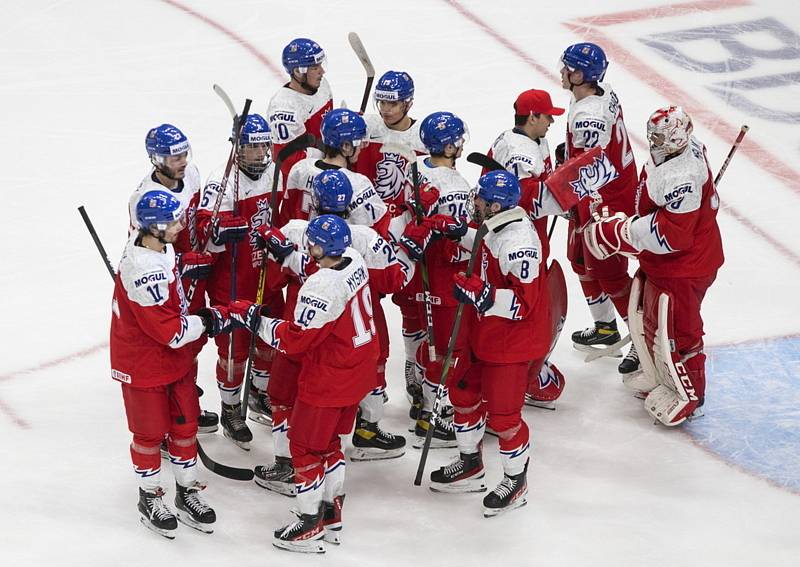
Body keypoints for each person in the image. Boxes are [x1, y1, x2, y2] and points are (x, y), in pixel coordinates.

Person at [227, 215, 378, 553]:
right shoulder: (353, 260)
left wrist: (254, 319)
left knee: (305, 447)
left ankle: (309, 521)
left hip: (331, 377)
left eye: (311, 242)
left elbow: (295, 341)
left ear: (323, 247)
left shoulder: (322, 286)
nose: (307, 246)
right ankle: (331, 512)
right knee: (330, 443)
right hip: (359, 369)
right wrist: (286, 254)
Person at [253, 171, 411, 492]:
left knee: (284, 399)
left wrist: (278, 257)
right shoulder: (363, 241)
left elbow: (270, 284)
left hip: (302, 331)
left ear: (312, 201)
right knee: (334, 415)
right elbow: (395, 281)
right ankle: (352, 445)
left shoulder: (294, 232)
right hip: (347, 342)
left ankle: (290, 466)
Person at [584, 106, 723, 425]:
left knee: (680, 330)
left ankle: (693, 395)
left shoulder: (681, 176)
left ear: (677, 136)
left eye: (660, 136)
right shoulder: (680, 151)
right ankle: (663, 378)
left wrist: (618, 233)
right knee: (651, 320)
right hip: (666, 264)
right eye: (652, 135)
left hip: (684, 267)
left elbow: (672, 235)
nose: (653, 141)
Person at [429, 171, 549, 517]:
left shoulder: (520, 243)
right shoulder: (496, 224)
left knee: (505, 417)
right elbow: (484, 244)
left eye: (479, 199)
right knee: (463, 394)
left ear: (495, 205)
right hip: (482, 333)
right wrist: (456, 232)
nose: (474, 203)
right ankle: (471, 464)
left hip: (510, 344)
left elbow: (525, 303)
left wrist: (483, 295)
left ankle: (516, 481)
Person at [111, 190, 230, 538]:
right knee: (149, 435)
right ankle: (149, 497)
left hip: (173, 360)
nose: (181, 226)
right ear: (155, 227)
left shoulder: (158, 248)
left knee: (185, 425)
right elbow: (173, 332)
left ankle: (187, 491)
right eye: (174, 221)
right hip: (144, 364)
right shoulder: (141, 268)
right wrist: (211, 320)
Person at [196, 114, 285, 449]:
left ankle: (260, 394)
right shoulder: (222, 180)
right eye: (253, 146)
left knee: (268, 342)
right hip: (232, 281)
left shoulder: (276, 173)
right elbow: (204, 230)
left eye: (265, 144)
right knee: (233, 352)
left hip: (269, 274)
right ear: (238, 148)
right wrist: (218, 230)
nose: (261, 152)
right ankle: (231, 407)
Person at [128, 123, 219, 434]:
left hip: (195, 272)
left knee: (192, 341)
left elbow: (198, 216)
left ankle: (184, 400)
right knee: (174, 342)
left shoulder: (190, 174)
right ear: (156, 160)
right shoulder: (146, 198)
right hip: (171, 277)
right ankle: (171, 416)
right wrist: (181, 263)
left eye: (183, 154)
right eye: (174, 157)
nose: (182, 161)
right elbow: (144, 250)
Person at [484, 89, 569, 407]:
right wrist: (564, 195)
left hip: (528, 233)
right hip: (517, 238)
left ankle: (524, 368)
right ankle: (521, 375)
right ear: (532, 117)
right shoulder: (520, 155)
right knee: (523, 305)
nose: (550, 121)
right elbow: (527, 201)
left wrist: (556, 176)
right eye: (547, 116)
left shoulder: (525, 138)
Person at [559, 42, 640, 374]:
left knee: (608, 271)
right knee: (579, 258)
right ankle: (606, 327)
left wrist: (566, 195)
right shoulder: (599, 94)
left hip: (606, 201)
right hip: (601, 192)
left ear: (580, 74)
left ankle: (641, 334)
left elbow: (589, 167)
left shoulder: (588, 116)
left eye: (567, 68)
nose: (562, 72)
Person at [392, 111, 471, 447]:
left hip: (415, 268)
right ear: (449, 146)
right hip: (444, 275)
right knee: (446, 348)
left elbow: (402, 209)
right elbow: (462, 239)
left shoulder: (416, 167)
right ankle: (433, 417)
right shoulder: (454, 184)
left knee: (422, 335)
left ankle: (420, 393)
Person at [353, 70, 429, 413]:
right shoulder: (368, 128)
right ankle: (364, 382)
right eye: (380, 101)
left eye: (392, 102)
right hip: (368, 229)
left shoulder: (423, 136)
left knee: (413, 304)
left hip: (406, 230)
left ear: (409, 102)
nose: (385, 108)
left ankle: (414, 368)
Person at [281, 107, 389, 233]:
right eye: (359, 141)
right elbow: (379, 229)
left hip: (303, 248)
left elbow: (285, 218)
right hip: (336, 250)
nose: (361, 147)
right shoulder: (357, 183)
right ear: (346, 146)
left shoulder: (300, 169)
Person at [267, 37, 333, 214]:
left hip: (327, 170)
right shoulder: (283, 108)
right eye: (315, 67)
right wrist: (330, 157)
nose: (322, 71)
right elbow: (288, 160)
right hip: (298, 188)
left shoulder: (322, 86)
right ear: (298, 71)